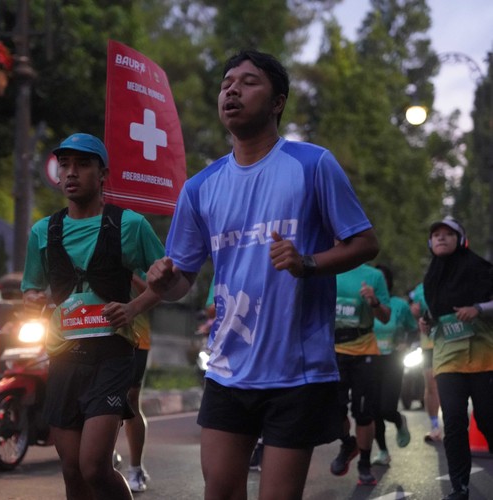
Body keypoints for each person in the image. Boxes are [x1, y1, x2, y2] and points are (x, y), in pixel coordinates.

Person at [146, 49, 379, 499]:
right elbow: (181, 282)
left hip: (296, 372)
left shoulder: (312, 165)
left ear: (277, 102)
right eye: (226, 83)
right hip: (227, 368)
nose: (232, 90)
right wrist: (162, 281)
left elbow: (365, 243)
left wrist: (307, 263)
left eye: (248, 82)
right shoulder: (199, 188)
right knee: (219, 492)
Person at [21, 133, 164, 500]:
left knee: (94, 466)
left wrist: (133, 307)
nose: (71, 172)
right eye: (65, 165)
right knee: (72, 470)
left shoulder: (130, 225)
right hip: (63, 358)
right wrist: (34, 299)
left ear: (103, 175)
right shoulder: (43, 231)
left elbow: (169, 282)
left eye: (83, 164)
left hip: (111, 357)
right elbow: (31, 287)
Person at [420, 217, 493, 500]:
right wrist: (427, 322)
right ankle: (459, 487)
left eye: (448, 234)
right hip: (448, 360)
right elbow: (436, 313)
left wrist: (479, 309)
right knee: (453, 423)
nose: (440, 238)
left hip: (483, 359)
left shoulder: (481, 269)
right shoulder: (431, 278)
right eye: (436, 234)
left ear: (460, 240)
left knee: (487, 420)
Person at [331, 263, 391, 485]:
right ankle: (348, 443)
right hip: (332, 351)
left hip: (364, 350)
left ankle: (364, 464)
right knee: (331, 409)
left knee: (363, 412)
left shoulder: (374, 276)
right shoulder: (327, 268)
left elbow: (385, 316)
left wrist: (374, 302)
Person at [372, 264, 417, 466]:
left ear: (388, 282)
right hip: (369, 360)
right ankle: (383, 451)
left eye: (382, 279)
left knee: (386, 409)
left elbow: (413, 329)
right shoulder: (365, 303)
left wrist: (406, 344)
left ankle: (398, 420)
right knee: (373, 411)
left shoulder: (399, 305)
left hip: (392, 361)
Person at [123, 273, 152, 492]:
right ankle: (103, 456)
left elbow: (156, 292)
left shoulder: (136, 252)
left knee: (131, 399)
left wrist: (129, 272)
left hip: (136, 335)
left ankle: (135, 468)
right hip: (98, 332)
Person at [410, 282, 442, 442]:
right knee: (430, 385)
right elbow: (415, 312)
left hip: (450, 341)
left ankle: (455, 426)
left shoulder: (455, 279)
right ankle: (435, 426)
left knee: (450, 385)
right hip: (428, 344)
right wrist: (415, 312)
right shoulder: (420, 288)